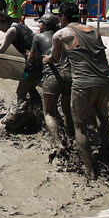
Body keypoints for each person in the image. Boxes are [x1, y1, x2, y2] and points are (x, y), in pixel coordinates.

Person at [44, 2, 109, 180]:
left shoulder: (61, 34)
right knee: (102, 116)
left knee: (80, 126)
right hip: (106, 80)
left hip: (83, 83)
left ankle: (90, 172)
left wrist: (43, 60)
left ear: (63, 17)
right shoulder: (93, 30)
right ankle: (107, 154)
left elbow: (54, 58)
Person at [28, 14, 73, 148]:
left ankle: (59, 144)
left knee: (48, 113)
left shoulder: (38, 36)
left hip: (52, 77)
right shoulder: (62, 35)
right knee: (66, 110)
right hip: (69, 76)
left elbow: (32, 58)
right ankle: (72, 138)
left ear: (45, 25)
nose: (38, 25)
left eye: (40, 22)